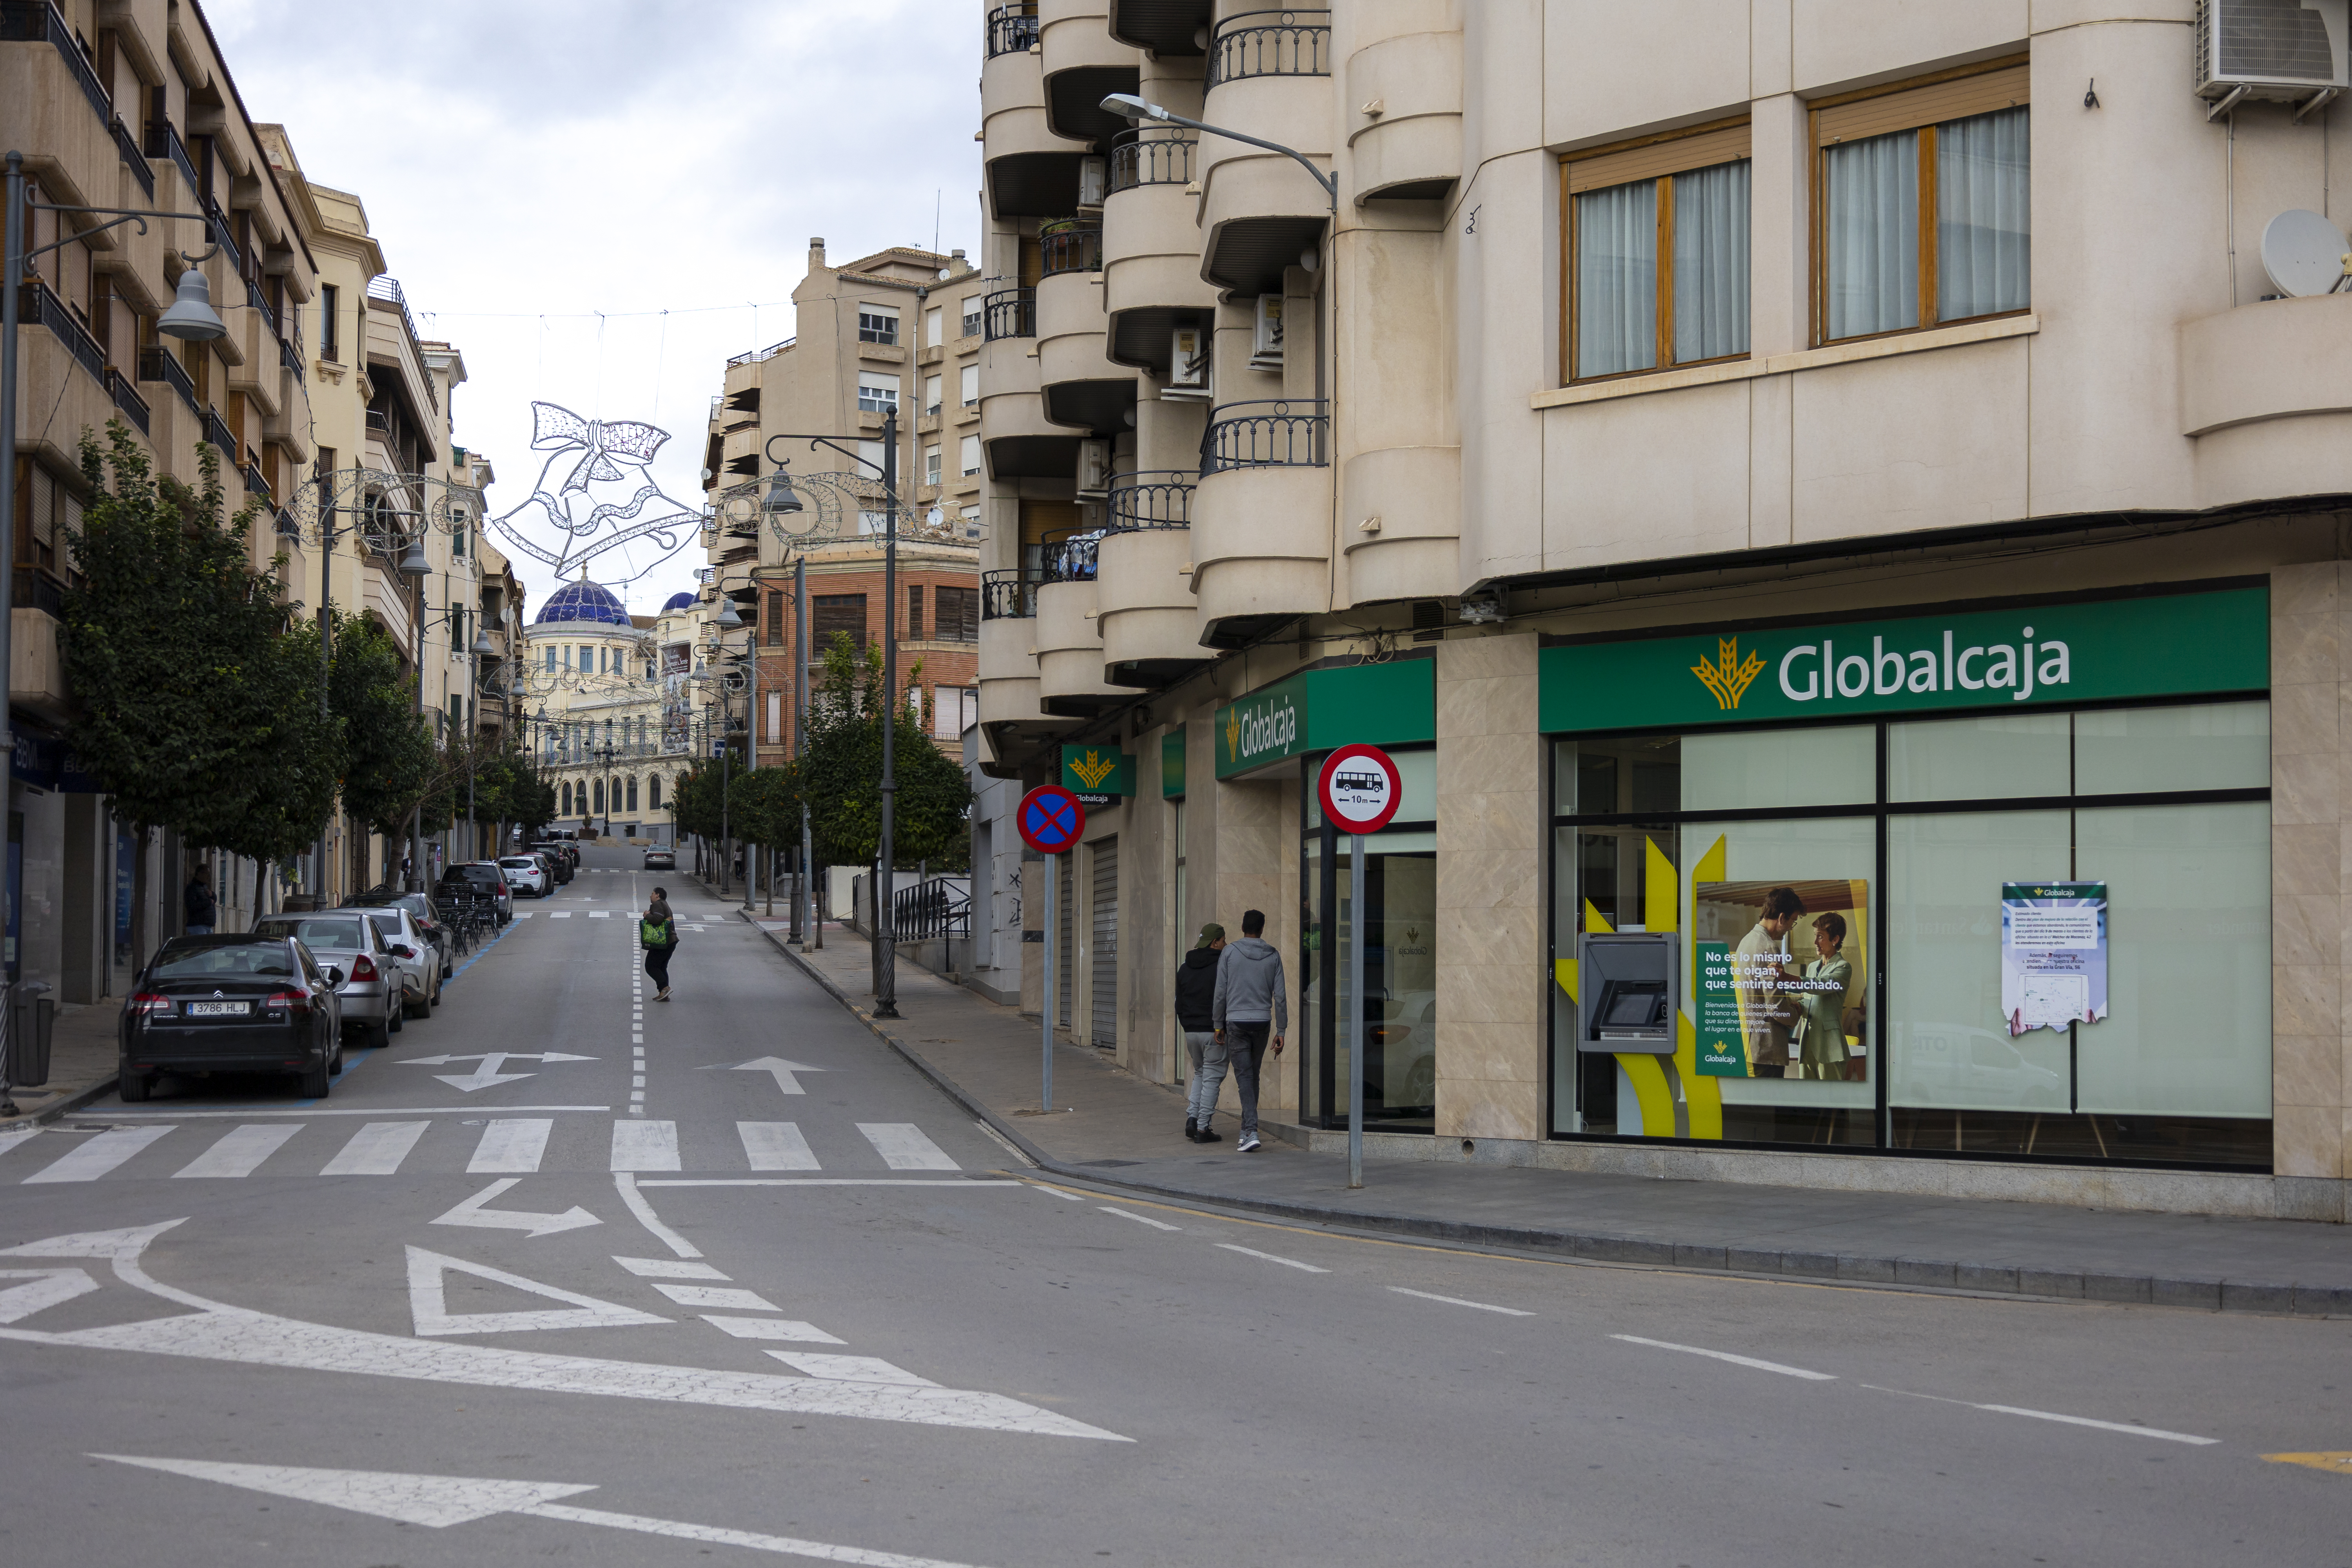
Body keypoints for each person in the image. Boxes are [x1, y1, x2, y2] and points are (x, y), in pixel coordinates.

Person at [1211, 908, 1287, 1154]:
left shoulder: (1230, 952)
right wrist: (1282, 1030)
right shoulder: (1273, 955)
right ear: (1262, 929)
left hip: (1237, 1022)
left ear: (1242, 927)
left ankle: (1252, 1130)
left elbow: (1220, 991)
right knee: (1252, 1075)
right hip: (1262, 1023)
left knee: (1244, 1076)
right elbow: (1281, 997)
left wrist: (1218, 1024)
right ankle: (1246, 1133)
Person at [1734, 886, 1806, 1078]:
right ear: (1782, 918)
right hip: (1767, 1048)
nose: (1791, 927)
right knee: (1768, 1106)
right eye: (1793, 921)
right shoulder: (1768, 947)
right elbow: (1776, 1008)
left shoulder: (1746, 942)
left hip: (1749, 1044)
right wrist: (1795, 1013)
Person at [1176, 923, 1227, 1143]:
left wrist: (1188, 1025)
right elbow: (1223, 999)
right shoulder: (1222, 966)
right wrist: (1221, 1026)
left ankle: (1192, 1118)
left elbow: (1179, 1001)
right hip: (1213, 1031)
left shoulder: (1185, 967)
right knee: (1213, 1078)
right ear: (1215, 943)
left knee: (1200, 1073)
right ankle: (1203, 1128)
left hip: (1191, 1032)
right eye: (1224, 941)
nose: (1226, 945)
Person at [1793, 911, 1856, 1082]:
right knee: (1808, 1100)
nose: (1815, 942)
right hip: (1806, 1042)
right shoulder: (1813, 967)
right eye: (1815, 936)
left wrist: (1788, 978)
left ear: (1835, 940)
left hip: (1829, 1045)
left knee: (1832, 1101)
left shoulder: (1843, 967)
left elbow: (1820, 986)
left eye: (1820, 937)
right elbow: (1806, 997)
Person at [642, 886, 679, 1001]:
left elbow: (657, 919)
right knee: (662, 967)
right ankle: (663, 994)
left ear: (658, 895)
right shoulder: (665, 904)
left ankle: (665, 988)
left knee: (650, 966)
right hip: (671, 941)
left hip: (662, 941)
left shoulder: (658, 905)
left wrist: (647, 915)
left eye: (652, 893)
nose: (651, 896)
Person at [183, 865, 216, 936]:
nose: (208, 876)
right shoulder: (192, 888)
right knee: (201, 946)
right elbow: (192, 906)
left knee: (209, 946)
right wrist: (209, 902)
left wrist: (213, 895)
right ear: (199, 874)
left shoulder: (204, 887)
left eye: (209, 874)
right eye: (206, 874)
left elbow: (212, 901)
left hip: (207, 926)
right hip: (198, 926)